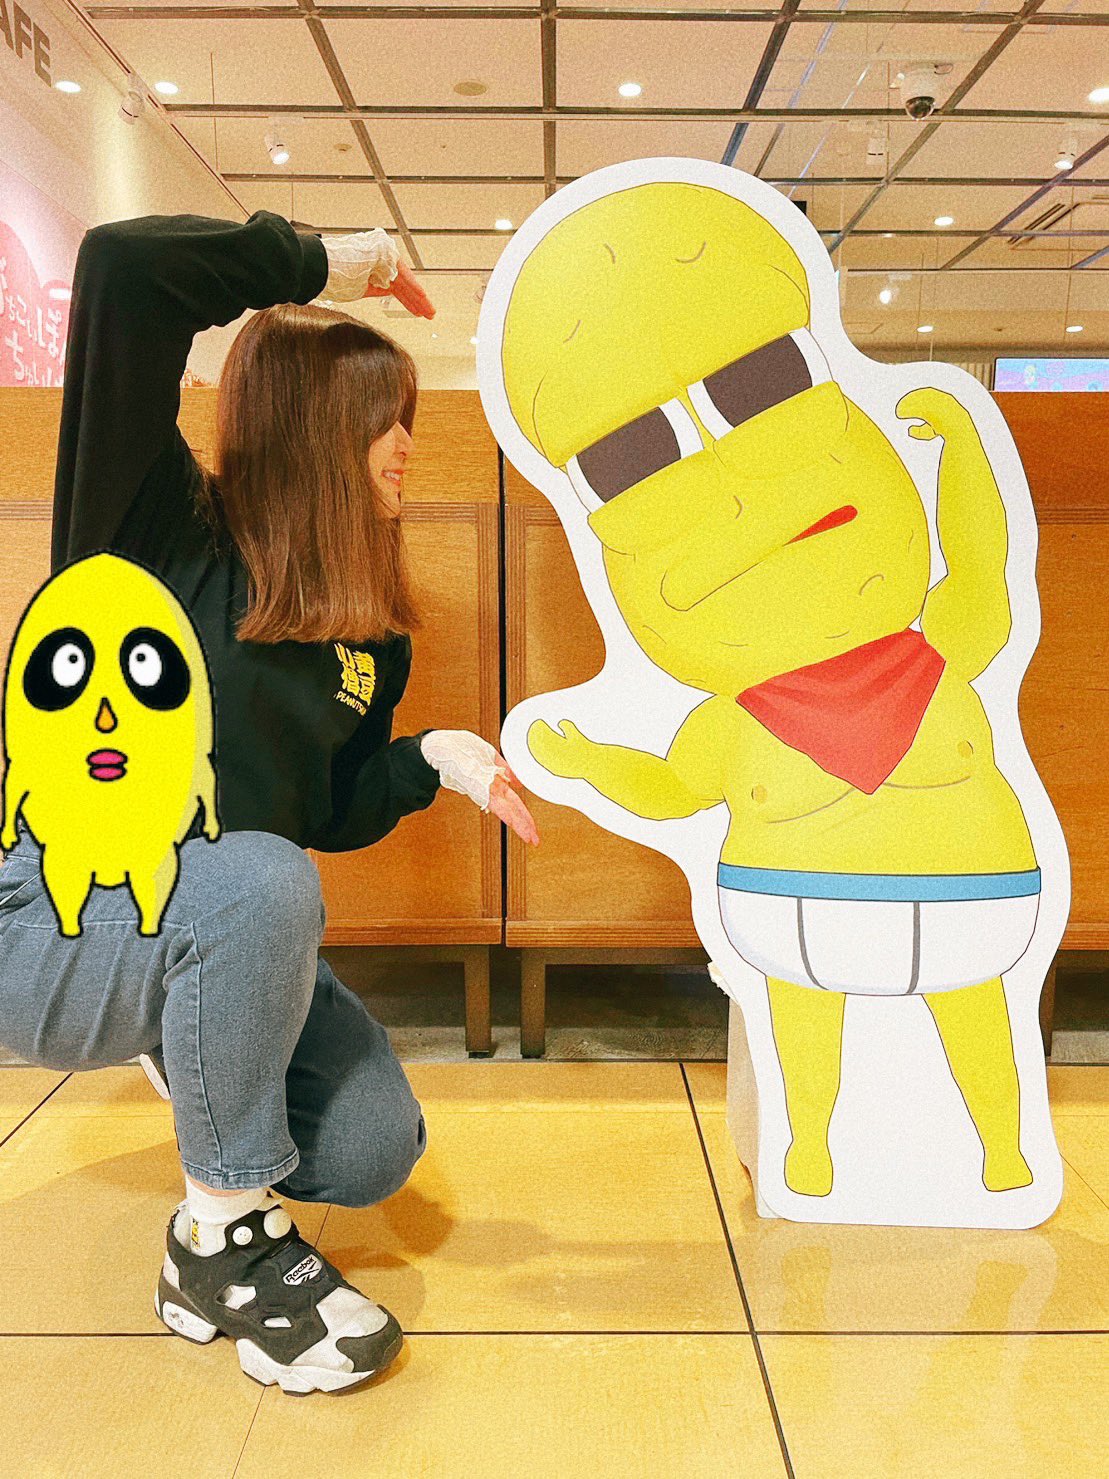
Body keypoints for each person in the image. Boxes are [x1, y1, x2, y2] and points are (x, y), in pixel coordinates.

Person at [0, 211, 538, 1395]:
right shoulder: (152, 534)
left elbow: (328, 812)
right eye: (383, 415)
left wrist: (433, 760)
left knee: (369, 1146)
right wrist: (328, 263)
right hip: (45, 924)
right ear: (310, 426)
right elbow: (126, 272)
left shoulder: (366, 635)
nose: (406, 444)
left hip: (214, 919)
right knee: (260, 878)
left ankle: (197, 1085)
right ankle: (227, 1246)